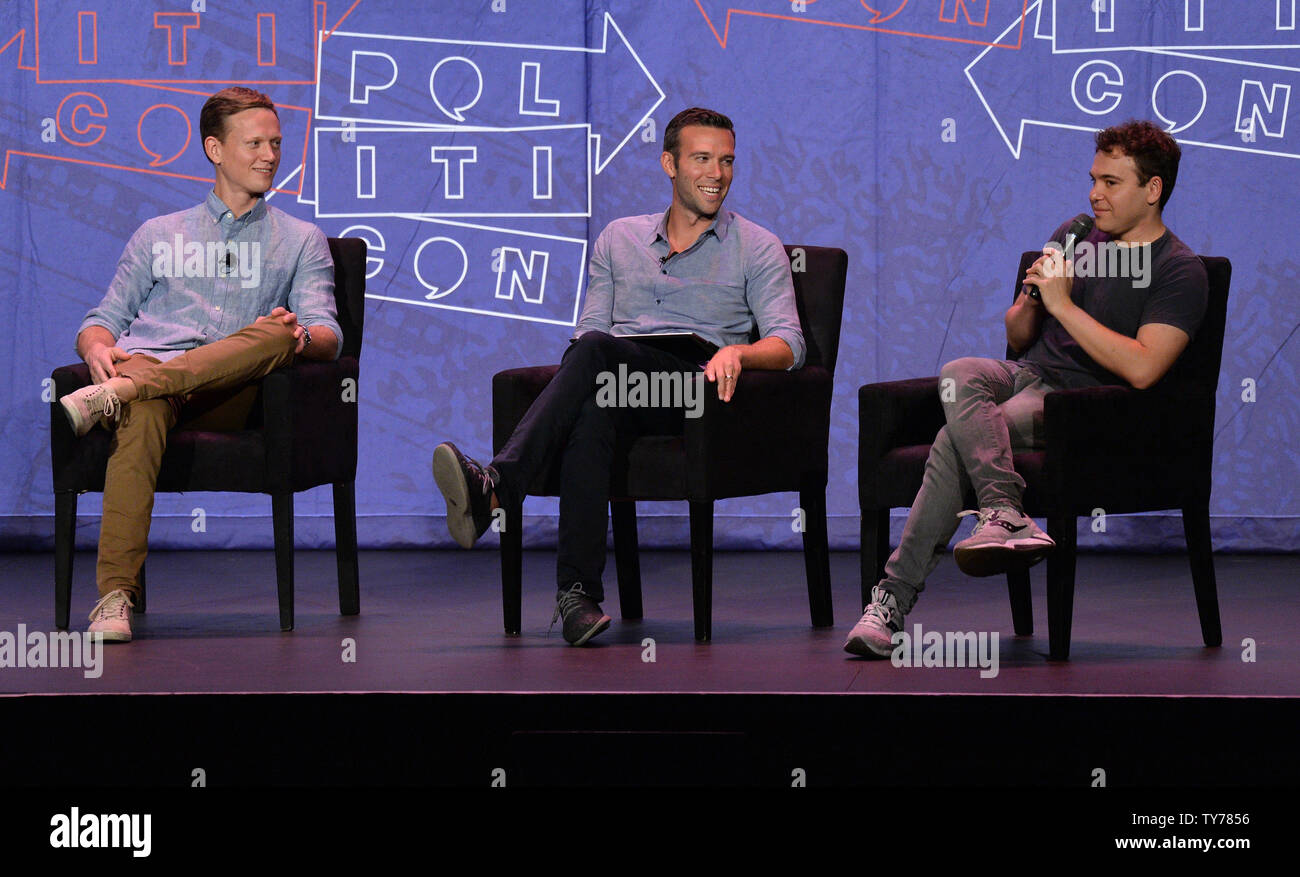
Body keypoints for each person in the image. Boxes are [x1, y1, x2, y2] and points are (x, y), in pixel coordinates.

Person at [433, 107, 805, 646]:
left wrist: (741, 354)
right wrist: (598, 357)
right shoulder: (618, 239)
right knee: (592, 397)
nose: (717, 174)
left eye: (726, 161)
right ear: (669, 165)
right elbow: (589, 332)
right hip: (621, 382)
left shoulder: (757, 246)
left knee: (595, 357)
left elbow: (790, 345)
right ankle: (578, 598)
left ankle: (498, 485)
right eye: (701, 159)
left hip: (697, 392)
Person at [844, 119, 1208, 657]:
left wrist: (1063, 304)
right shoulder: (1077, 234)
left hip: (1084, 405)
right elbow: (1018, 336)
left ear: (1152, 190)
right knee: (959, 372)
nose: (1094, 193)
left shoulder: (1180, 271)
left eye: (1111, 182)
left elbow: (1143, 369)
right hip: (1031, 374)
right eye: (1093, 179)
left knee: (952, 440)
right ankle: (1004, 511)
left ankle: (892, 601)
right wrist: (1034, 298)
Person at [58, 87, 343, 643]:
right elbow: (101, 319)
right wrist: (95, 350)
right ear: (215, 149)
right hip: (154, 387)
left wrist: (294, 336)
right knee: (142, 410)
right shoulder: (158, 234)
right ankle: (115, 596)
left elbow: (328, 335)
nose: (270, 155)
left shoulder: (301, 240)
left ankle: (125, 389)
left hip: (235, 394)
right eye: (254, 143)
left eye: (276, 143)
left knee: (278, 331)